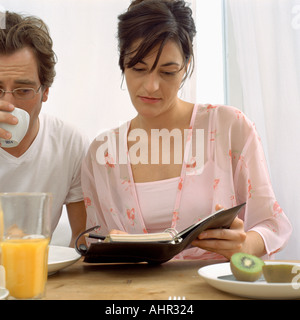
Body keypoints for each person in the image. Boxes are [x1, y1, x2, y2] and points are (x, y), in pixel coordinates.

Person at [81, 0, 292, 260]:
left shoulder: (229, 127)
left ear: (186, 65)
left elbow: (272, 224)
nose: (152, 86)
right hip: (131, 296)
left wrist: (245, 244)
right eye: (138, 69)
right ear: (121, 63)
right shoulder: (103, 154)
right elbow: (95, 245)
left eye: (168, 72)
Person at [0, 11, 89, 247]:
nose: (8, 104)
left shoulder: (68, 143)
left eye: (23, 90)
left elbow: (82, 239)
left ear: (45, 91)